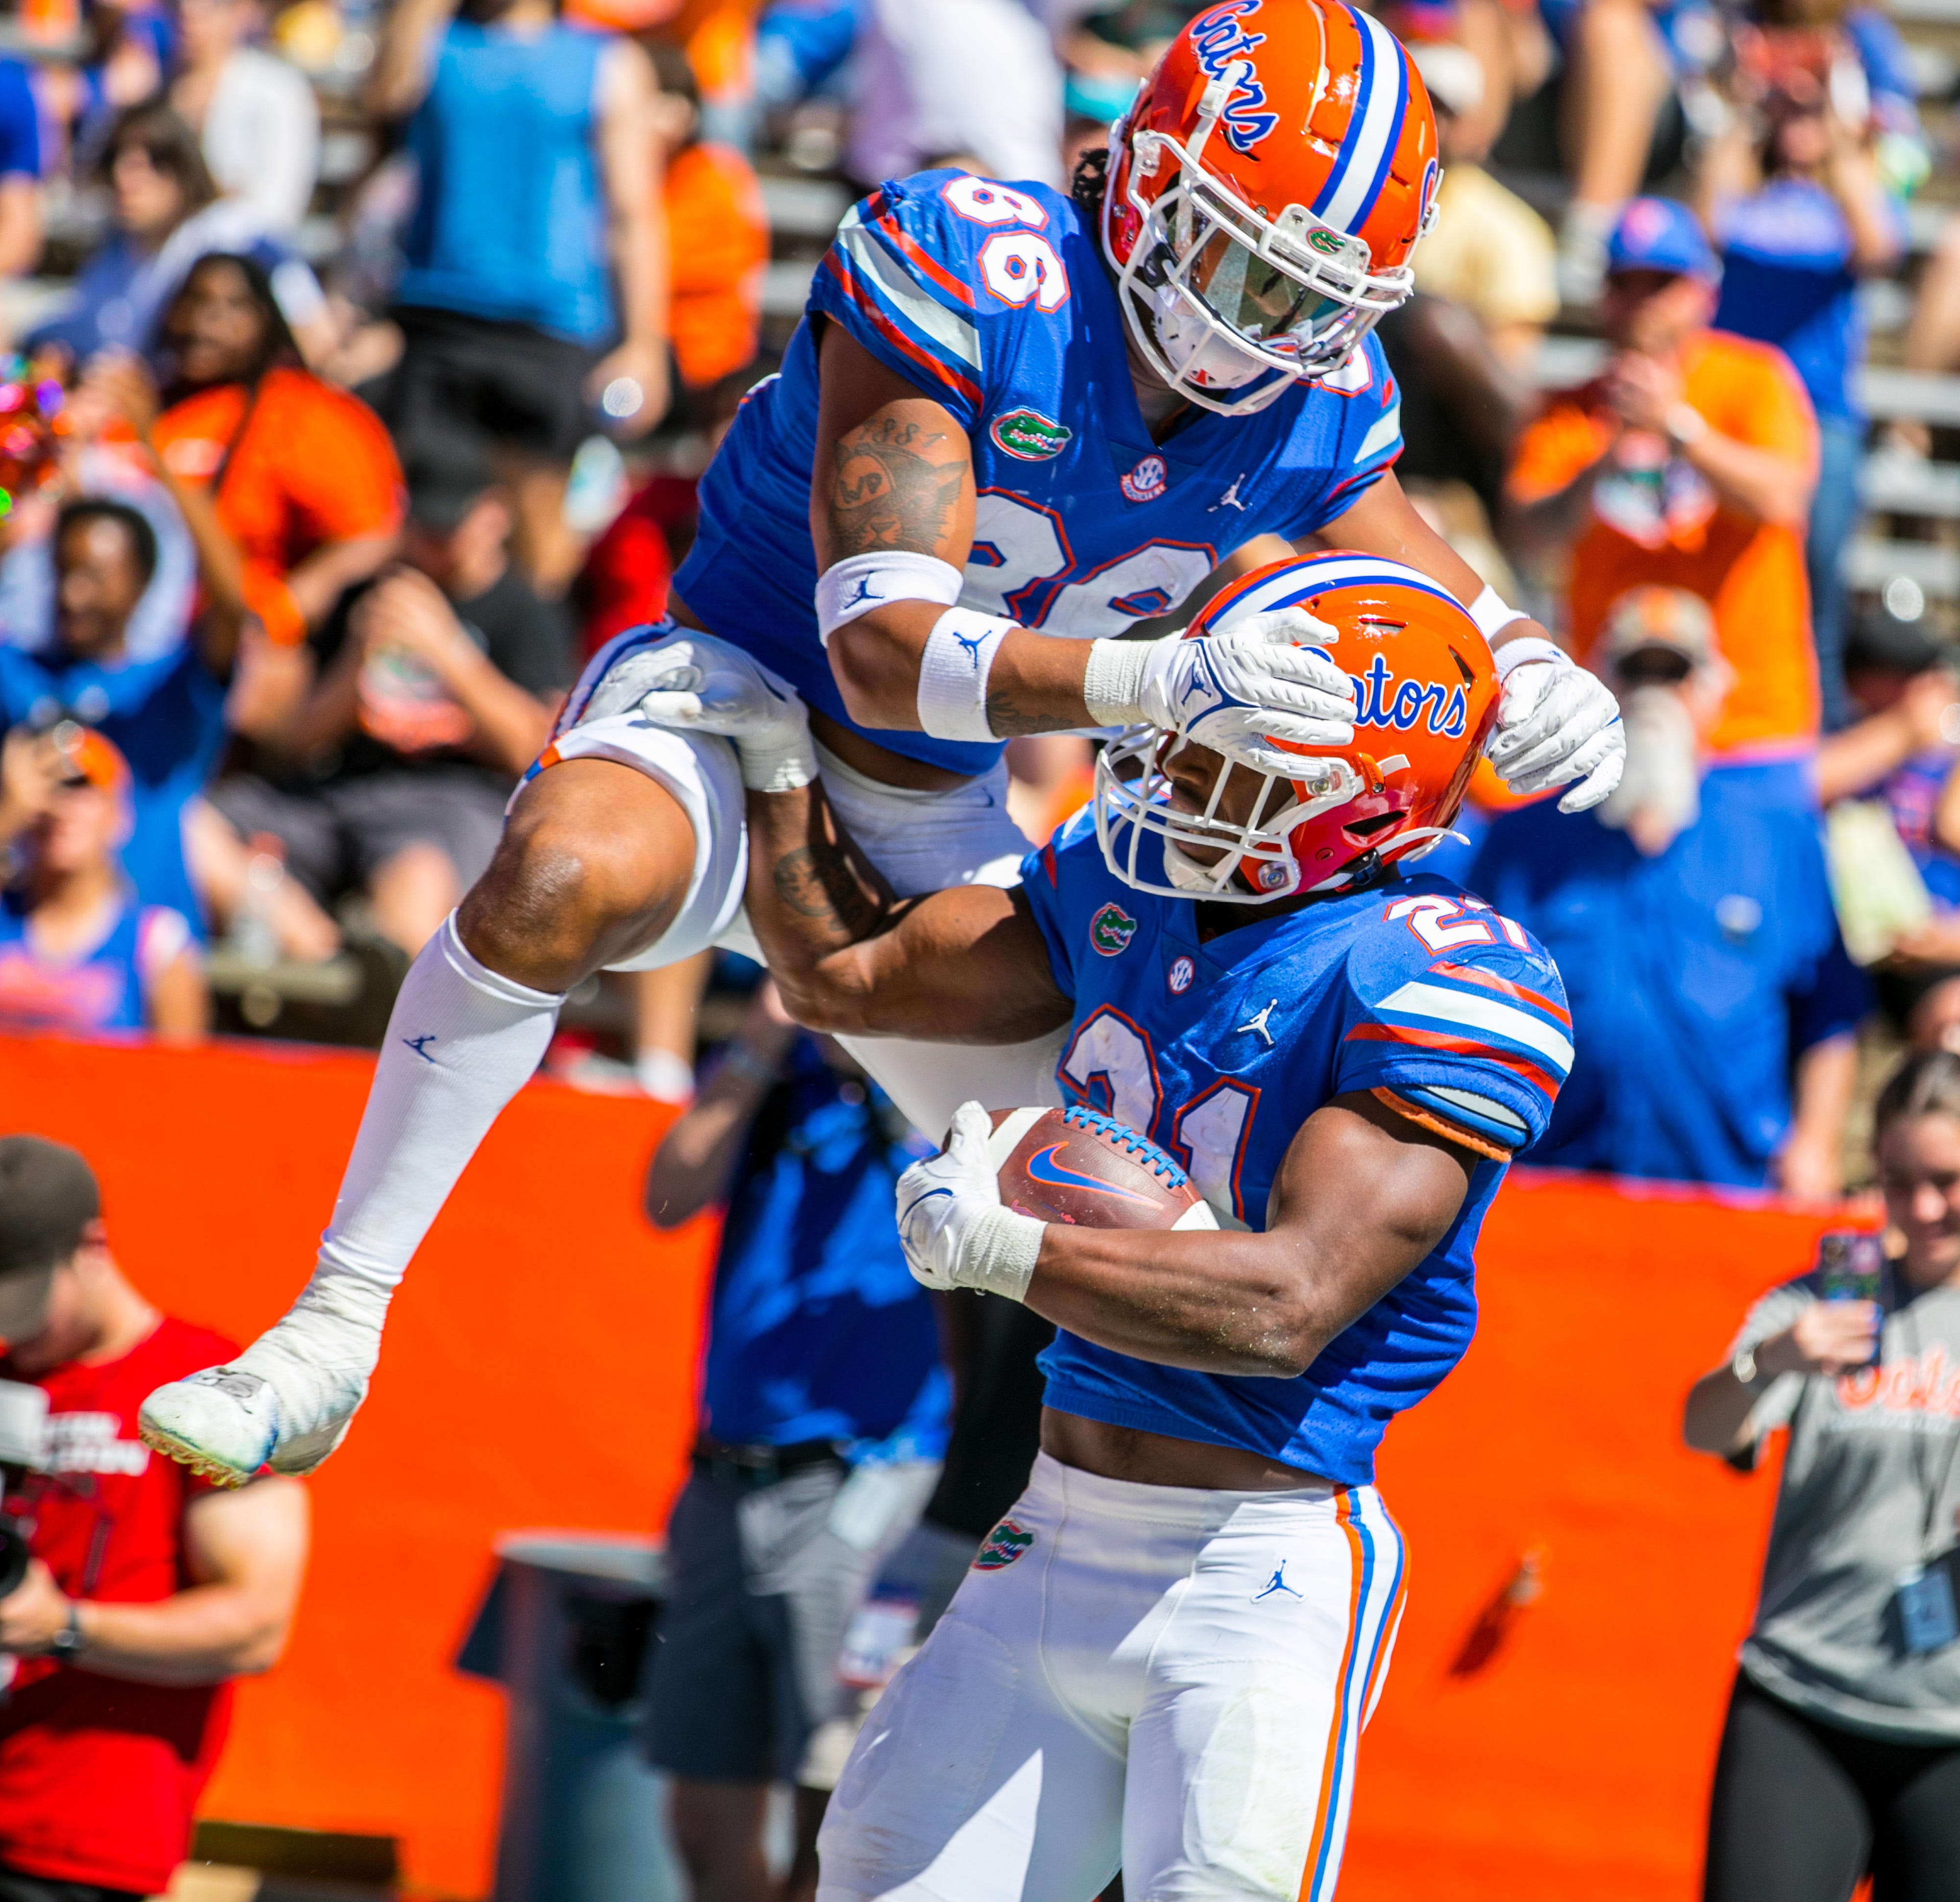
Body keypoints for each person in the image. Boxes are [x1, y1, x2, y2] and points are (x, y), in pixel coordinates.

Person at [136, 0, 1624, 1488]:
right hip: (745, 697)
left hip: (934, 806)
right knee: (556, 872)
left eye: (1310, 301)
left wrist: (1521, 658)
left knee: (1118, 1190)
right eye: (1239, 263)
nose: (1259, 332)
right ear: (1149, 175)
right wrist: (1158, 679)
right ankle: (334, 1322)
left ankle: (1095, 1544)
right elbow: (880, 653)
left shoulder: (1317, 396)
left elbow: (1421, 570)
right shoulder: (981, 271)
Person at [632, 553, 1570, 1899]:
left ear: (1365, 802)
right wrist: (783, 770)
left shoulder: (1427, 969)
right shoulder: (1123, 887)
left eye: (1223, 768)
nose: (1170, 783)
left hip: (1257, 1563)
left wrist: (1009, 1252)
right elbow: (853, 974)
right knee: (874, 1874)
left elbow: (1288, 1305)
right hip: (1047, 1529)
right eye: (1177, 748)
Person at [641, 981, 946, 1902]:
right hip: (722, 1484)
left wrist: (895, 1067)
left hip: (869, 1486)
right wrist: (757, 1048)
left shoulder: (945, 1087)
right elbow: (665, 1195)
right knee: (703, 1815)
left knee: (838, 1812)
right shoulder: (781, 1080)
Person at [1471, 585, 1865, 1197]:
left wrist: (1816, 1143)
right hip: (1552, 1185)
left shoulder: (1779, 840)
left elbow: (1831, 1011)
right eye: (1636, 672)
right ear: (1600, 684)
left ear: (1714, 691)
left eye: (1676, 673)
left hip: (1727, 1187)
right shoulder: (1522, 843)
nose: (1655, 696)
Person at [0, 1136, 309, 1902]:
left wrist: (62, 1625)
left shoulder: (203, 1391)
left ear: (92, 1248)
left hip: (77, 1846)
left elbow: (256, 1622)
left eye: (22, 1294)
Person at [1684, 1048, 1960, 1902]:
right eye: (1899, 1179)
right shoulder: (1825, 1300)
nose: (1921, 1207)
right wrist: (1771, 1362)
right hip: (1802, 1699)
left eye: (1948, 1181)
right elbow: (1701, 1430)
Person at [197, 435, 573, 959]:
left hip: (448, 805)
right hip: (339, 794)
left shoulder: (525, 610)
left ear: (494, 515)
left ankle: (388, 995)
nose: (433, 543)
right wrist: (355, 659)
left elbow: (534, 754)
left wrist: (449, 652)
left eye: (449, 528)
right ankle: (321, 954)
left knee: (417, 876)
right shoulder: (366, 595)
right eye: (423, 527)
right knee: (193, 826)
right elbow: (296, 742)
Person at [1508, 197, 1821, 766]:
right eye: (1626, 284)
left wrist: (1677, 429)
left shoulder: (1754, 379)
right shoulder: (1569, 408)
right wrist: (1601, 462)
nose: (1641, 305)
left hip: (1748, 722)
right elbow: (1529, 534)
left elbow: (1784, 497)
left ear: (1705, 294)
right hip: (1611, 720)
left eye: (1662, 285)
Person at [370, 0, 670, 592]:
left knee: (541, 542)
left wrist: (644, 342)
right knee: (422, 533)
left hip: (550, 325)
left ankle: (535, 672)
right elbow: (383, 105)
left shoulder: (606, 60)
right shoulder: (436, 40)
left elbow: (634, 213)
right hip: (436, 316)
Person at [1700, 46, 1906, 732]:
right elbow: (1703, 225)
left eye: (1807, 108)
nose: (1796, 119)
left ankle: (1806, 742)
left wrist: (1837, 130)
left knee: (1814, 600)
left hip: (1819, 420)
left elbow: (1879, 245)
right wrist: (1752, 110)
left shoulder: (1849, 199)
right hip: (1727, 415)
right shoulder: (1748, 195)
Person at [102, 252, 404, 654]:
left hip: (226, 653)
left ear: (266, 320)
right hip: (117, 650)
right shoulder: (146, 404)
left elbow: (373, 536)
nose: (202, 322)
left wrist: (285, 612)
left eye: (230, 307)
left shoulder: (308, 413)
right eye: (191, 301)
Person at [0, 496, 247, 925]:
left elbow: (231, 607)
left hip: (141, 959)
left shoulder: (168, 686)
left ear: (141, 582)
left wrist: (159, 451)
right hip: (27, 949)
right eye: (62, 570)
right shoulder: (17, 674)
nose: (72, 593)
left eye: (95, 577)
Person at [26, 104, 328, 368]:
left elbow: (313, 335)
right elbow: (84, 339)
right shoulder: (116, 250)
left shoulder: (233, 233)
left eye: (153, 161)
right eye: (115, 160)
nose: (126, 178)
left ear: (183, 163)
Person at [0, 723, 205, 1041]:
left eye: (80, 790)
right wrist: (7, 817)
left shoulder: (155, 944)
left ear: (118, 815)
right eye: (50, 790)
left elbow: (181, 1078)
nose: (61, 809)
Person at [169, 0, 321, 235]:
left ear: (240, 11)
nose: (190, 20)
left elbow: (279, 208)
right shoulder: (154, 88)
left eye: (208, 9)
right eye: (180, 9)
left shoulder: (278, 89)